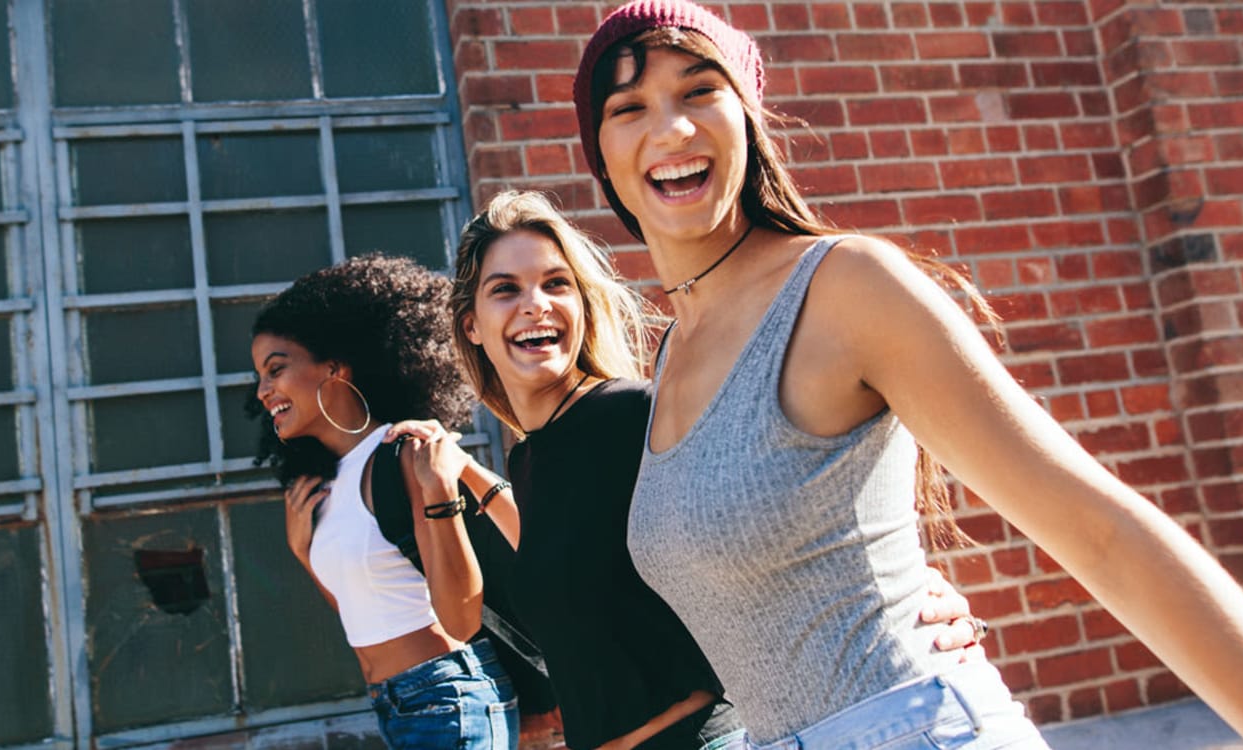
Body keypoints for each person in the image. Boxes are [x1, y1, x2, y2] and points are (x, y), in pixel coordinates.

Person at [567, 2, 1243, 748]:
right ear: (599, 151)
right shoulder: (671, 351)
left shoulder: (843, 288)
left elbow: (1103, 533)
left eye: (700, 91)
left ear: (747, 115)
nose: (669, 129)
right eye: (628, 108)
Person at [391, 189, 985, 750]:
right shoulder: (530, 455)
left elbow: (774, 515)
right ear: (471, 324)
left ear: (581, 301)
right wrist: (465, 476)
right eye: (505, 290)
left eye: (555, 283)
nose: (536, 305)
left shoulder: (633, 416)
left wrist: (913, 597)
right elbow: (571, 559)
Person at [250, 254, 520, 749]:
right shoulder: (323, 485)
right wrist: (303, 553)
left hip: (448, 697)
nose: (264, 391)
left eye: (275, 370)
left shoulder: (402, 455)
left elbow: (460, 619)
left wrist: (440, 494)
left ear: (333, 366)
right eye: (260, 378)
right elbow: (362, 606)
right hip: (396, 705)